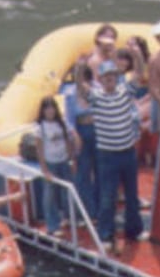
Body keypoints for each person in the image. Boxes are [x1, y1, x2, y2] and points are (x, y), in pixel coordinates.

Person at [91, 58, 144, 249]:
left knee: (132, 193)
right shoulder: (95, 96)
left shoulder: (124, 91)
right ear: (100, 79)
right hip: (108, 155)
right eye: (106, 77)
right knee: (108, 196)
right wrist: (81, 67)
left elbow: (138, 74)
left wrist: (136, 55)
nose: (109, 80)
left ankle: (134, 230)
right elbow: (81, 89)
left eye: (112, 76)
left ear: (117, 77)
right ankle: (106, 234)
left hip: (128, 152)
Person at [34, 95, 79, 235]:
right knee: (50, 195)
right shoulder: (40, 128)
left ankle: (69, 217)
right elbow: (40, 150)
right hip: (50, 163)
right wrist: (44, 169)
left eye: (52, 108)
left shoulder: (62, 123)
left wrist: (72, 159)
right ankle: (52, 225)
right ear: (43, 111)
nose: (50, 111)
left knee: (67, 192)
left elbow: (69, 141)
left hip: (64, 161)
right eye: (47, 108)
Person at [63, 62, 99, 213]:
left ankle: (100, 205)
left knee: (100, 168)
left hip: (97, 130)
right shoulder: (70, 94)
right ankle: (87, 208)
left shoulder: (96, 89)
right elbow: (69, 119)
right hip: (81, 131)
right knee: (83, 169)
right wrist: (74, 134)